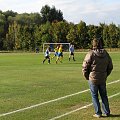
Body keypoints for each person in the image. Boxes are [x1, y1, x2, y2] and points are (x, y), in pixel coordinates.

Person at [82, 38, 113, 118]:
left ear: (93, 44)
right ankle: (107, 112)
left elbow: (85, 67)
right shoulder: (106, 53)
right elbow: (110, 66)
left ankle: (98, 113)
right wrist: (105, 75)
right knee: (104, 95)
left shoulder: (91, 53)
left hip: (93, 78)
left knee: (95, 96)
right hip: (102, 78)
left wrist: (87, 76)